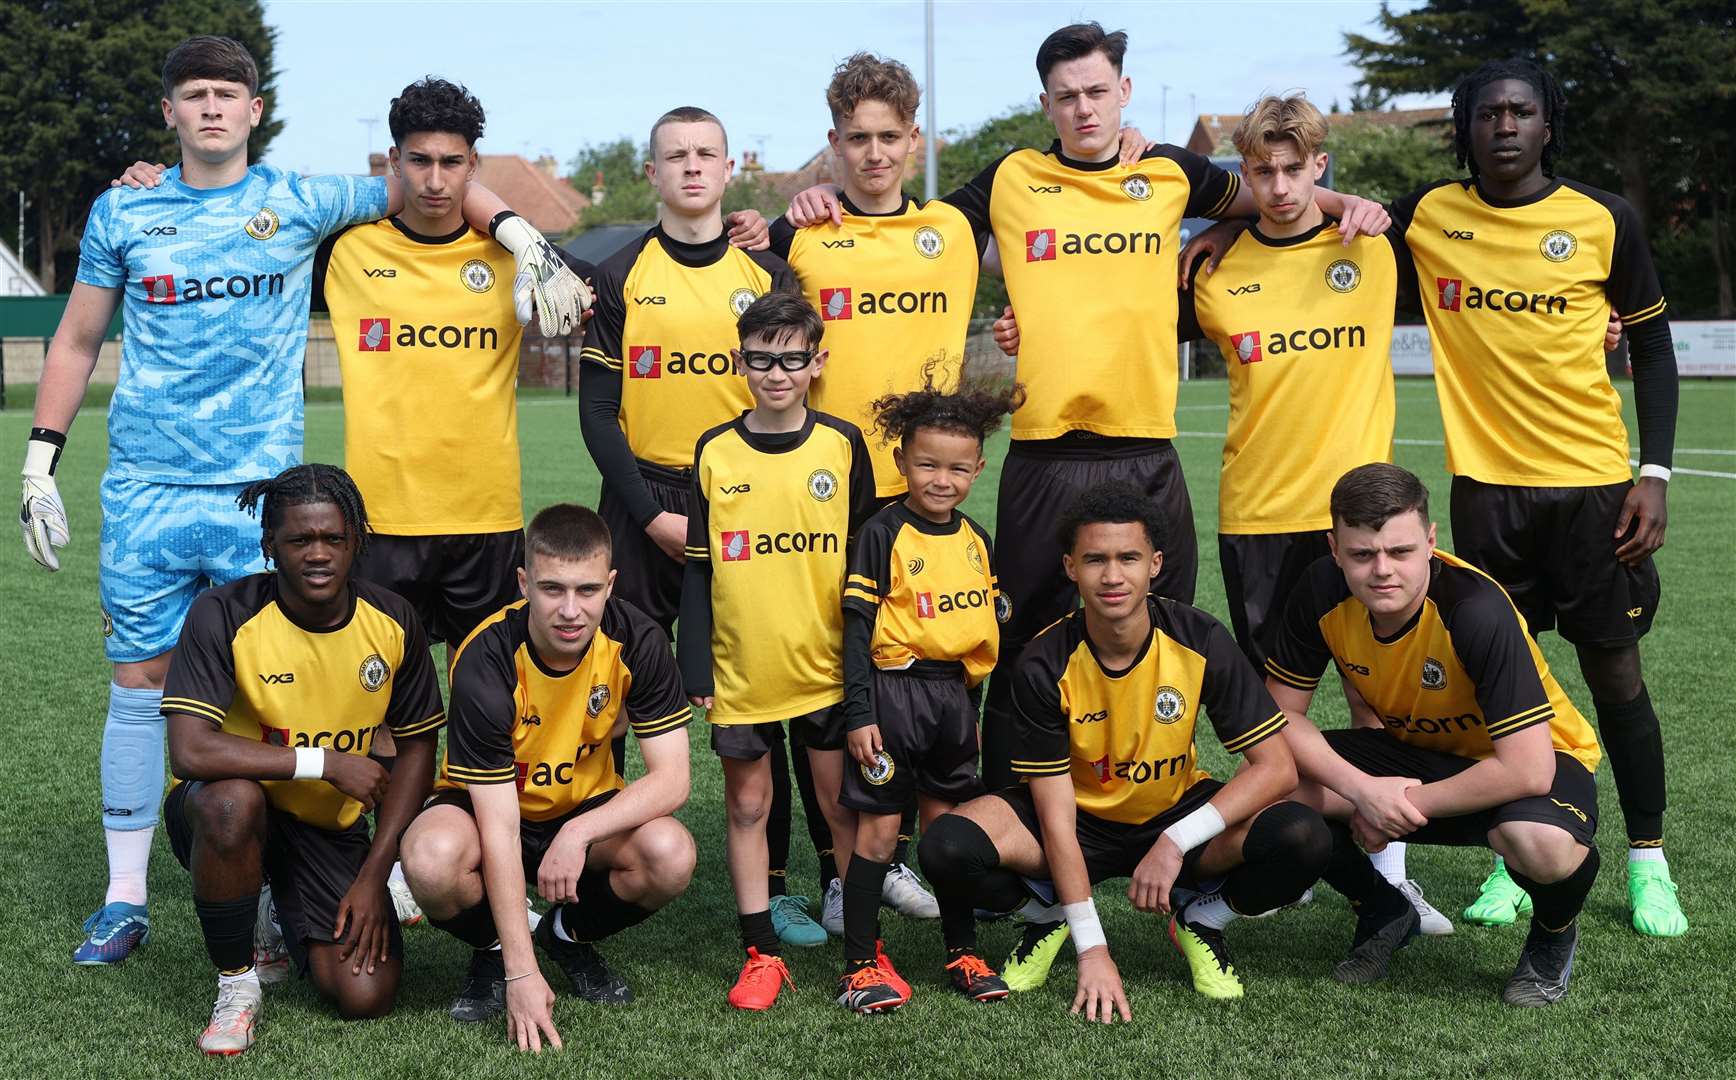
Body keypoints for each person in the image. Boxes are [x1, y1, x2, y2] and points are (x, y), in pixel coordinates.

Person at [23, 36, 586, 966]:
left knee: (265, 701)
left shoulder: (300, 200)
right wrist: (42, 459)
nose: (210, 108)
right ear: (168, 111)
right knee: (136, 685)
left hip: (261, 501)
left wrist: (527, 235)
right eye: (192, 94)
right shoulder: (125, 208)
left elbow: (430, 181)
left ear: (255, 109)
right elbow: (78, 340)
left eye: (226, 94)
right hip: (145, 490)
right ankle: (125, 899)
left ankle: (282, 886)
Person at [919, 481, 1330, 1012]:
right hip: (1078, 818)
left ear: (1155, 563)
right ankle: (1051, 918)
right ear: (1070, 567)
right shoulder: (1044, 661)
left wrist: (1176, 841)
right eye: (1095, 559)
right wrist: (1093, 949)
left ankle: (1202, 919)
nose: (1112, 576)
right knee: (946, 847)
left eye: (1128, 558)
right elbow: (1056, 817)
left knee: (1303, 836)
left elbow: (1276, 768)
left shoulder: (1199, 638)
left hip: (1173, 810)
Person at [766, 51, 986, 932]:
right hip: (828, 490)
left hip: (929, 492)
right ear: (833, 145)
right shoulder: (801, 240)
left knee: (924, 669)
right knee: (830, 686)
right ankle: (836, 866)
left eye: (890, 137)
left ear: (914, 139)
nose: (874, 153)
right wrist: (783, 210)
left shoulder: (958, 233)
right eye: (856, 138)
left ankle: (907, 854)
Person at [1265, 463, 1603, 1006]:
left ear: (1430, 541)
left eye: (1400, 552)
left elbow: (1528, 768)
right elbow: (1278, 721)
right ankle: (1383, 907)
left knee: (1539, 845)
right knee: (1268, 789)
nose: (1382, 571)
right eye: (1361, 554)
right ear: (1334, 547)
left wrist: (1397, 803)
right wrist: (1362, 791)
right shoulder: (1319, 592)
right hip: (1415, 754)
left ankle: (1552, 935)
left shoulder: (1474, 609)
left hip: (1528, 761)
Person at [159, 464, 444, 1054]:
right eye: (299, 540)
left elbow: (418, 746)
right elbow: (189, 749)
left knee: (366, 994)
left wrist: (374, 877)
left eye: (333, 539)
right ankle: (237, 985)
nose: (318, 555)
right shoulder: (223, 613)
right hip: (225, 810)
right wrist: (324, 763)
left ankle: (276, 907)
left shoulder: (392, 621)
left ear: (356, 541)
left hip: (327, 828)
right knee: (233, 804)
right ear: (270, 545)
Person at [399, 504, 695, 1052]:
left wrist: (577, 833)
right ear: (523, 583)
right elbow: (499, 827)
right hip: (486, 812)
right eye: (552, 588)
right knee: (430, 858)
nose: (570, 610)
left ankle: (564, 934)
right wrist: (521, 974)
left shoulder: (640, 640)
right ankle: (495, 948)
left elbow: (674, 780)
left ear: (609, 584)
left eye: (586, 590)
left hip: (583, 808)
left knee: (670, 854)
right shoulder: (486, 657)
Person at [677, 292, 875, 1009]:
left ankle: (863, 954)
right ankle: (760, 951)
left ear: (817, 362)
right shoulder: (714, 450)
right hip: (742, 669)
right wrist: (693, 663)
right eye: (761, 359)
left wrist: (862, 666)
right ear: (741, 362)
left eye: (793, 358)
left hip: (825, 671)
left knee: (840, 806)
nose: (777, 372)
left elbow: (865, 566)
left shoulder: (843, 445)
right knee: (748, 806)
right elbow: (698, 566)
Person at [833, 371, 1024, 1012]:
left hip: (951, 701)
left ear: (978, 468)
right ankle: (861, 964)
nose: (941, 480)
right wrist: (859, 713)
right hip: (892, 697)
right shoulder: (882, 533)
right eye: (927, 465)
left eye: (957, 469)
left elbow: (978, 629)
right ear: (901, 462)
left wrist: (966, 706)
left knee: (945, 839)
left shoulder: (977, 540)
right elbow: (856, 633)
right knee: (879, 836)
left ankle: (962, 952)